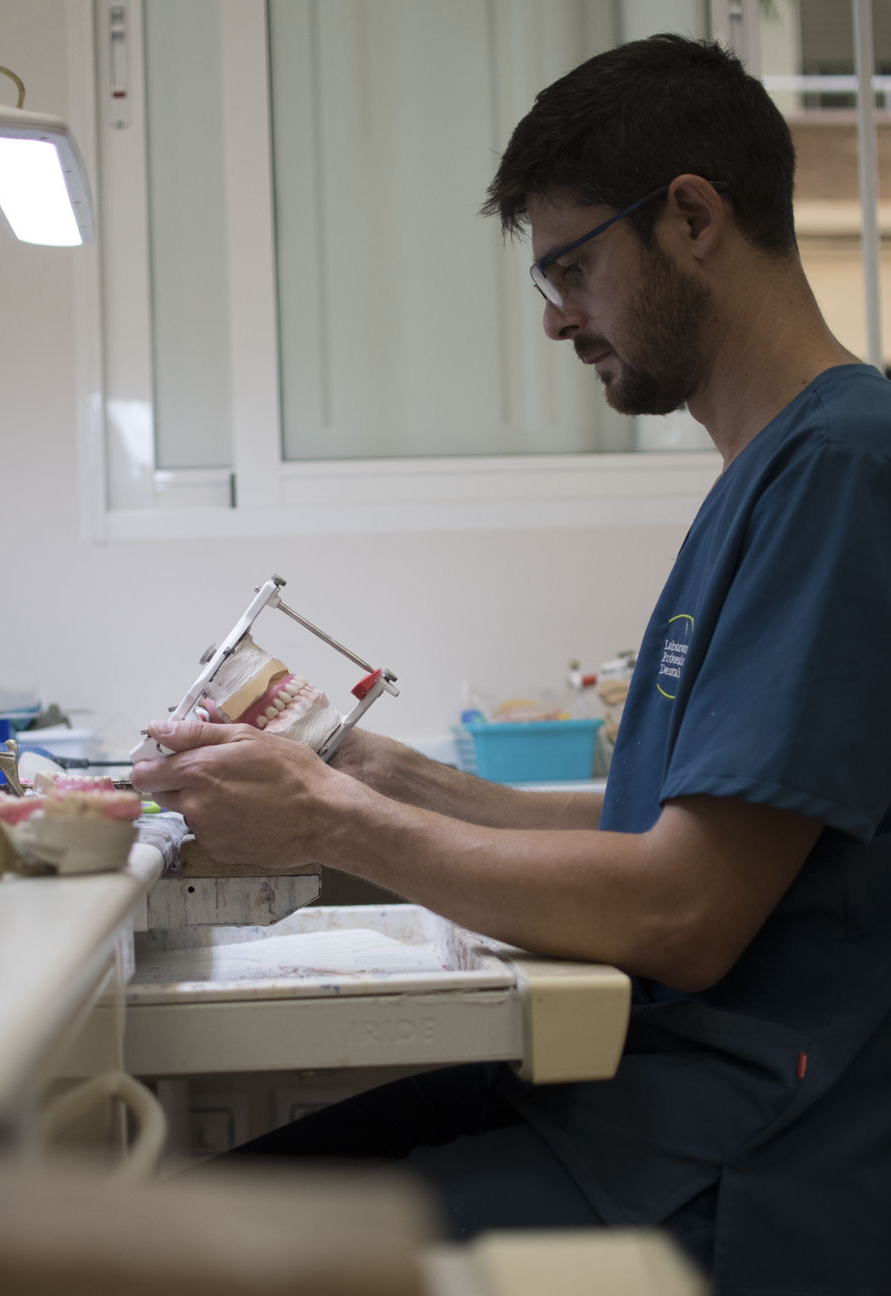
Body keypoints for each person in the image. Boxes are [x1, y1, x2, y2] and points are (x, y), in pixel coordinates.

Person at [132, 34, 891, 1294]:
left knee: (158, 1257)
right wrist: (374, 775)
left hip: (735, 1168)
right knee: (198, 1206)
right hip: (636, 1107)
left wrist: (332, 823)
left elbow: (682, 911)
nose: (553, 320)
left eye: (573, 267)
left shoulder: (844, 471)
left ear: (692, 217)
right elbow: (662, 820)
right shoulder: (772, 472)